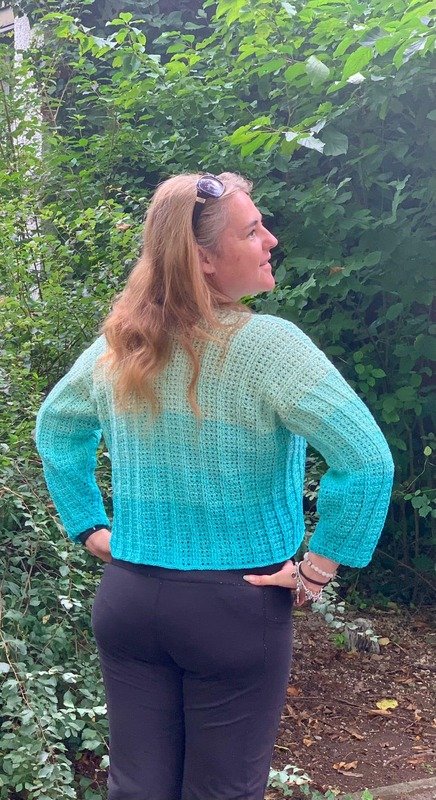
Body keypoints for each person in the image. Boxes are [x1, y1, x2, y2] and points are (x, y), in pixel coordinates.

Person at [35, 171, 394, 800]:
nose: (270, 240)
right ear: (203, 258)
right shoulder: (270, 348)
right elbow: (367, 460)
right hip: (236, 604)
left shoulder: (125, 342)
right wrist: (317, 570)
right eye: (251, 231)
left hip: (130, 599)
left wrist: (88, 524)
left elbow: (56, 426)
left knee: (137, 788)